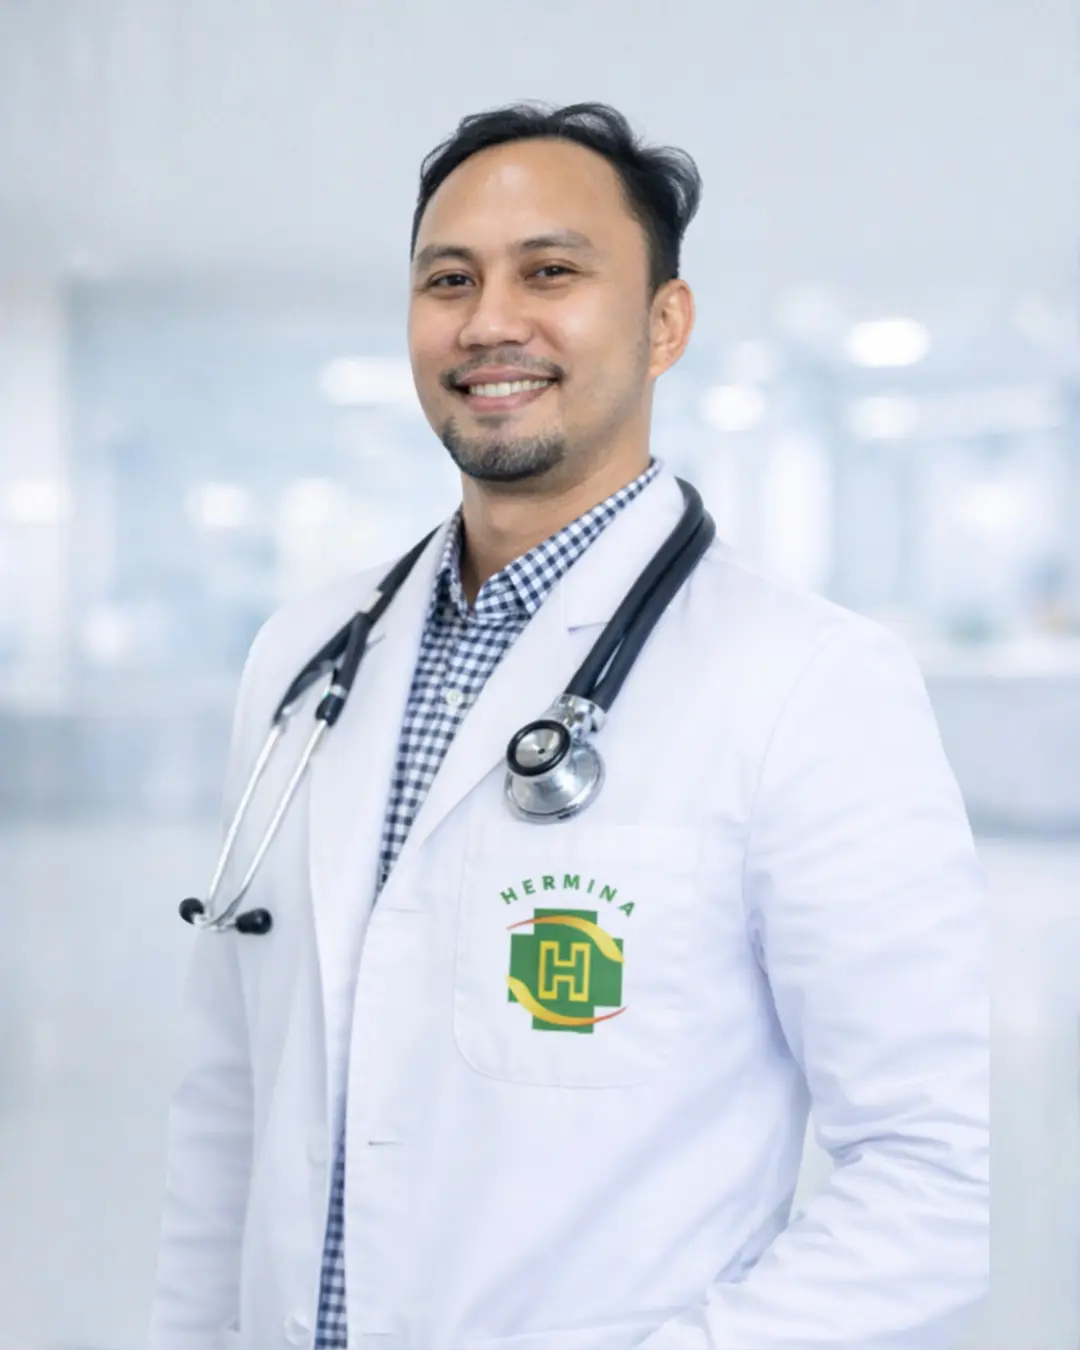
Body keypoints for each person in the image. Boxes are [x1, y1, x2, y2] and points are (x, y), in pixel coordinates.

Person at [149, 103, 989, 1350]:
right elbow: (231, 1105)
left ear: (665, 325)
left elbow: (929, 1180)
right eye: (449, 279)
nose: (490, 321)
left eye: (550, 272)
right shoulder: (303, 658)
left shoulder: (812, 684)